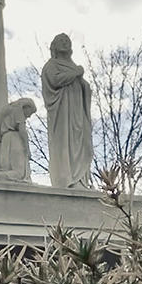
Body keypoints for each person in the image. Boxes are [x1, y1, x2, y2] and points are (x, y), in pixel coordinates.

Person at [41, 34, 93, 189]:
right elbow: (55, 81)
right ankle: (68, 180)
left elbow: (85, 88)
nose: (65, 43)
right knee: (66, 144)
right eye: (61, 41)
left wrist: (83, 85)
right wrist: (76, 73)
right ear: (54, 47)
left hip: (78, 112)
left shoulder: (73, 65)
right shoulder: (51, 65)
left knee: (82, 144)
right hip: (63, 113)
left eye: (67, 41)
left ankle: (81, 180)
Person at [0, 98, 37, 182]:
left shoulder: (8, 110)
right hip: (14, 139)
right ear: (26, 106)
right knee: (19, 174)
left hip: (4, 141)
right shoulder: (18, 110)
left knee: (6, 170)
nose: (29, 116)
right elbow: (22, 130)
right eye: (30, 112)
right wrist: (27, 149)